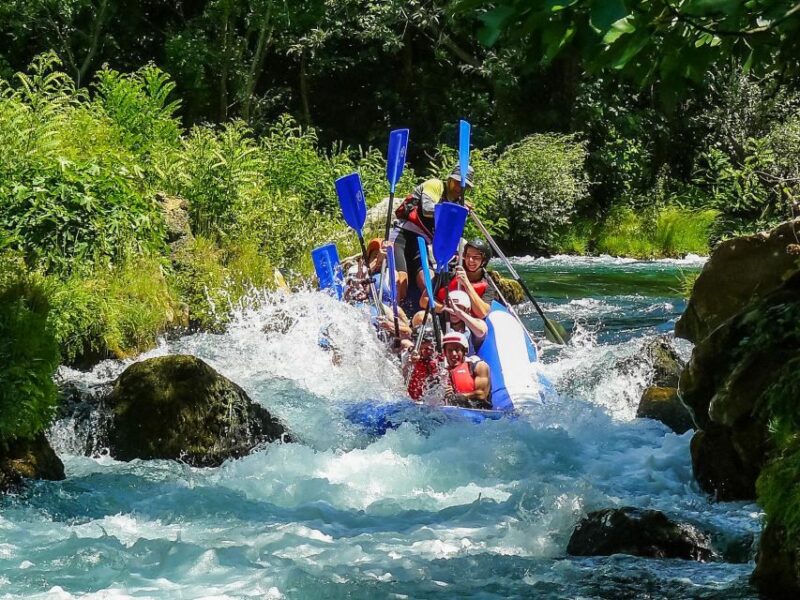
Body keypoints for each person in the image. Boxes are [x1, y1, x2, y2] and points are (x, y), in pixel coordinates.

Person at [389, 163, 475, 309]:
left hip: (422, 242)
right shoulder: (435, 185)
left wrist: (460, 215)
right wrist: (456, 210)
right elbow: (428, 210)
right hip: (402, 235)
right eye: (457, 182)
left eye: (464, 186)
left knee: (427, 281)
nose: (460, 188)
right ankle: (396, 314)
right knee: (400, 281)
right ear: (449, 179)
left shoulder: (457, 202)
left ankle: (433, 313)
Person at [426, 238, 496, 319]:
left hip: (468, 320)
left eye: (476, 257)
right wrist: (444, 308)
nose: (470, 260)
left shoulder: (488, 283)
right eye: (468, 256)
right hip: (444, 317)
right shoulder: (449, 271)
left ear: (484, 261)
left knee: (481, 329)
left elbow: (482, 313)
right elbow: (424, 300)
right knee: (421, 316)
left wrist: (466, 284)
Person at [441, 331, 491, 409]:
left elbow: (482, 394)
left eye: (457, 350)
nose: (454, 354)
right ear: (445, 353)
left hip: (480, 412)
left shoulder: (478, 366)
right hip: (455, 414)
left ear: (465, 351)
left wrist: (459, 396)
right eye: (450, 350)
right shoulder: (443, 372)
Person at [403, 326, 442, 401]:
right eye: (421, 345)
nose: (427, 350)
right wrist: (411, 363)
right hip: (413, 401)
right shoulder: (409, 355)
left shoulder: (438, 357)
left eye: (427, 343)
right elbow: (403, 376)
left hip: (432, 399)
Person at [442, 290, 487, 354]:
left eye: (458, 307)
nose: (453, 310)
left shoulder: (474, 323)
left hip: (469, 361)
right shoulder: (440, 324)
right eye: (450, 306)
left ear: (467, 310)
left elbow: (481, 331)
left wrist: (459, 312)